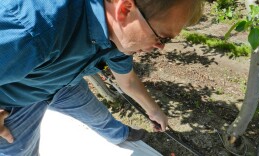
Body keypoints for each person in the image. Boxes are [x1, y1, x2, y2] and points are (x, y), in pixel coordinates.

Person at [0, 0, 204, 155]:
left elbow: (128, 80)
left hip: (62, 82)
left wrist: (154, 111)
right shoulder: (34, 28)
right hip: (14, 103)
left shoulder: (120, 36)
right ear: (125, 10)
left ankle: (121, 135)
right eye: (161, 38)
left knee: (97, 116)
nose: (160, 48)